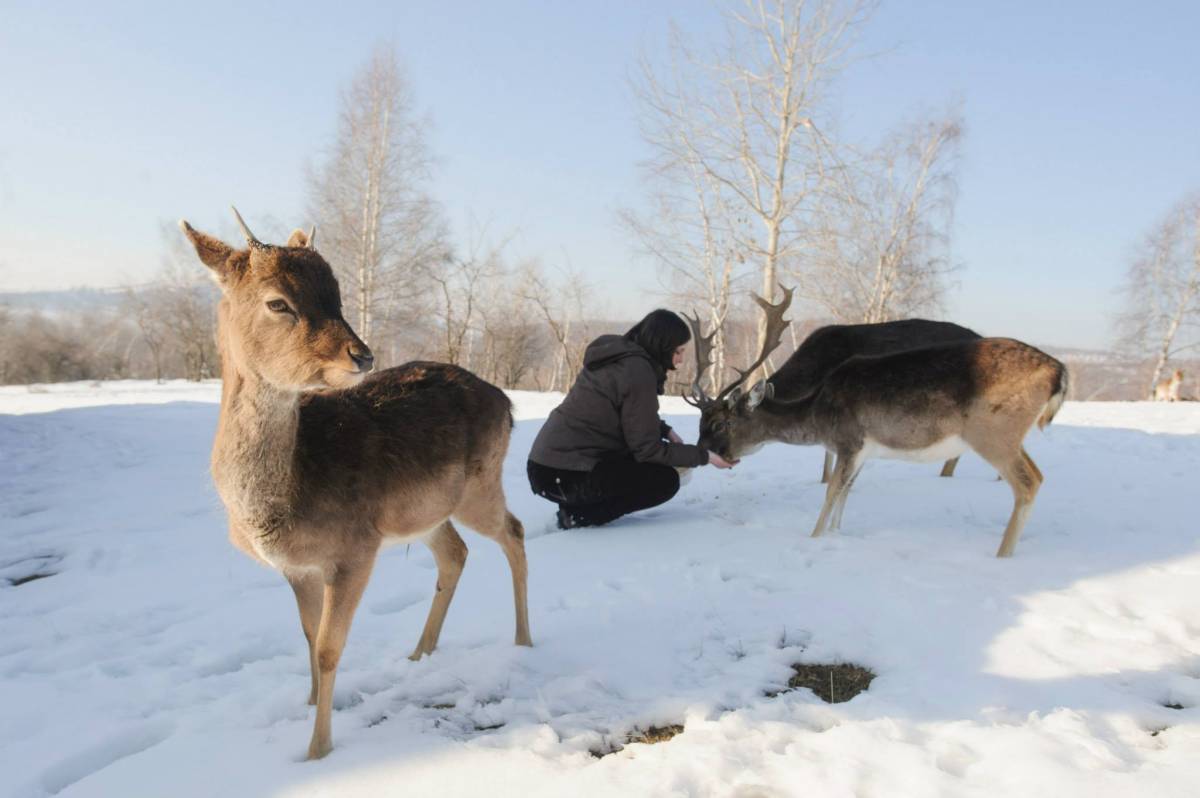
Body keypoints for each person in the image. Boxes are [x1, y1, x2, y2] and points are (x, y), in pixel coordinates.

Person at [527, 309, 736, 529]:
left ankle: (576, 507)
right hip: (564, 475)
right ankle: (579, 517)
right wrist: (705, 456)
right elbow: (648, 450)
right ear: (661, 346)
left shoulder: (619, 358)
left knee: (639, 463)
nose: (681, 359)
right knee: (664, 481)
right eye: (678, 351)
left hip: (546, 468)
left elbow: (621, 411)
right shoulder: (639, 372)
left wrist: (664, 430)